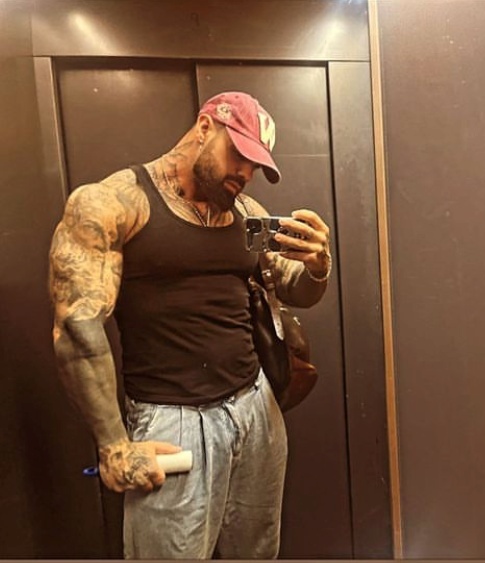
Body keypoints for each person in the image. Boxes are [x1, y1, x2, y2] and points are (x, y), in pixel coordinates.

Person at [48, 91, 331, 559]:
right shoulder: (115, 203)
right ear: (204, 128)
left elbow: (296, 289)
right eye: (238, 154)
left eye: (255, 165)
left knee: (257, 553)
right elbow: (77, 329)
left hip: (255, 409)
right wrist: (114, 445)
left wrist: (318, 266)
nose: (245, 173)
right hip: (171, 422)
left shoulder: (248, 214)